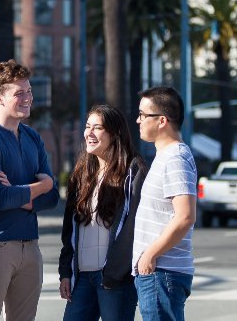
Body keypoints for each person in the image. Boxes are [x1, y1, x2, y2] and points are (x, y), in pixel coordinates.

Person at [0, 60, 59, 321]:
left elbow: (53, 197)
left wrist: (21, 194)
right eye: (19, 93)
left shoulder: (33, 137)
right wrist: (41, 185)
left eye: (29, 91)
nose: (28, 98)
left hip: (31, 245)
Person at [58, 105, 149, 321]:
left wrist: (118, 271)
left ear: (115, 134)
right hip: (82, 277)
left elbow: (134, 225)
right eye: (87, 126)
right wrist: (66, 272)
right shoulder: (81, 173)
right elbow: (69, 230)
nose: (89, 133)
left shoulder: (133, 170)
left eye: (97, 128)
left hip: (115, 279)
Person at [132, 87, 198, 320]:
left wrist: (150, 254)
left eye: (143, 115)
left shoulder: (175, 158)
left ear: (162, 121)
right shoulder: (165, 157)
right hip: (158, 272)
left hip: (162, 272)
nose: (138, 120)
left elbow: (185, 216)